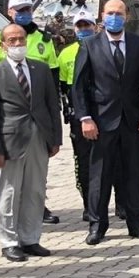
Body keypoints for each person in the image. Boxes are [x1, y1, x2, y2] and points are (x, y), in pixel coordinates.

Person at [72, 0, 139, 245]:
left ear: (127, 17)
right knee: (100, 176)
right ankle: (97, 226)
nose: (114, 17)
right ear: (102, 16)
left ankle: (137, 225)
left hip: (133, 122)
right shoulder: (89, 45)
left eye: (119, 13)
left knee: (134, 174)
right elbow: (79, 87)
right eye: (110, 13)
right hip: (100, 122)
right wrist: (85, 118)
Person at [0, 23, 62, 261]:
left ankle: (30, 238)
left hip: (39, 138)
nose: (18, 44)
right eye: (12, 40)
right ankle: (9, 241)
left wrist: (55, 139)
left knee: (35, 190)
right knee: (9, 192)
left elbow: (52, 105)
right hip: (10, 141)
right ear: (3, 45)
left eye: (21, 39)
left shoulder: (40, 69)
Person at [58, 11, 97, 220]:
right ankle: (87, 205)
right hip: (78, 115)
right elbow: (64, 87)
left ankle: (119, 205)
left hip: (101, 111)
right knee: (82, 161)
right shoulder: (65, 53)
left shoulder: (101, 47)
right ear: (75, 29)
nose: (84, 30)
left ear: (95, 26)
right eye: (80, 26)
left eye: (87, 25)